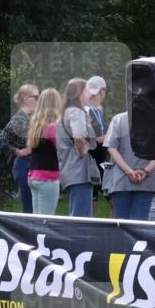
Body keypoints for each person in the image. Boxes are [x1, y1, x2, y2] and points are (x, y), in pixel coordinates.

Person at [103, 111, 155, 220]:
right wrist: (145, 171)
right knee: (140, 223)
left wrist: (129, 171)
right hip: (145, 180)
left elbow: (111, 148)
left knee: (121, 223)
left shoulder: (118, 119)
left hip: (121, 178)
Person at [57, 78, 99, 217]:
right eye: (87, 91)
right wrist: (82, 151)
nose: (90, 95)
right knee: (82, 217)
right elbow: (78, 137)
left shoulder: (65, 112)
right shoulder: (76, 112)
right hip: (79, 170)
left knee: (76, 213)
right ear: (79, 93)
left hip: (70, 169)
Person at [0, 84, 40, 213]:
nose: (39, 100)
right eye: (36, 97)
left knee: (34, 207)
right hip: (24, 165)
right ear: (26, 99)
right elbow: (0, 140)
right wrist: (18, 151)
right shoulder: (19, 118)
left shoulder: (31, 118)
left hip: (32, 164)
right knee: (29, 207)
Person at [26, 87, 63, 216]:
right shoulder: (53, 127)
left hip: (33, 175)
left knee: (37, 220)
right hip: (48, 177)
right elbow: (62, 150)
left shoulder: (35, 126)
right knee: (46, 221)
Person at [85, 76, 112, 216]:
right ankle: (89, 235)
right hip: (89, 162)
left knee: (114, 201)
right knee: (91, 203)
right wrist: (112, 137)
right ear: (102, 91)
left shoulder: (99, 109)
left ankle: (113, 234)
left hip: (101, 162)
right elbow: (91, 138)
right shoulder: (85, 110)